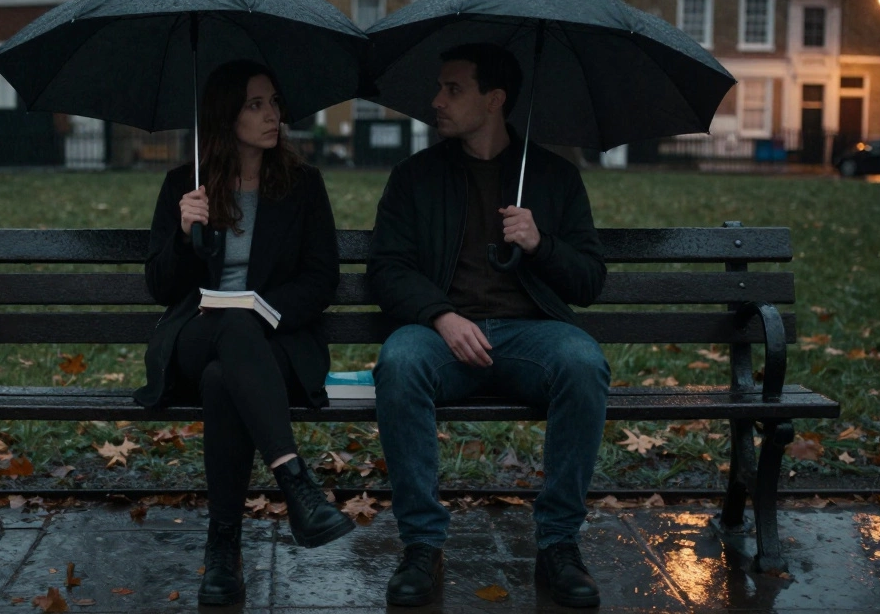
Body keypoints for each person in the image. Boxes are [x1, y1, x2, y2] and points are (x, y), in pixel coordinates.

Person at [368, 43, 610, 608]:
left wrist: (540, 243)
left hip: (531, 338)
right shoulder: (415, 178)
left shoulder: (553, 178)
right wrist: (441, 316)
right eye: (439, 87)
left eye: (454, 89)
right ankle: (422, 546)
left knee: (583, 363)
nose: (437, 101)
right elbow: (387, 270)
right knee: (399, 363)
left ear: (495, 99)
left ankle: (558, 544)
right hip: (439, 339)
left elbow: (589, 281)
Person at [136, 59, 354, 606]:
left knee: (221, 381)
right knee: (220, 343)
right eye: (256, 104)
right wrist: (186, 236)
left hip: (273, 341)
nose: (272, 115)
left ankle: (222, 548)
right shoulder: (184, 186)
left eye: (274, 103)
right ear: (225, 115)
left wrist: (261, 310)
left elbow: (321, 278)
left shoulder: (302, 186)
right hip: (194, 335)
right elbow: (161, 288)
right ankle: (295, 482)